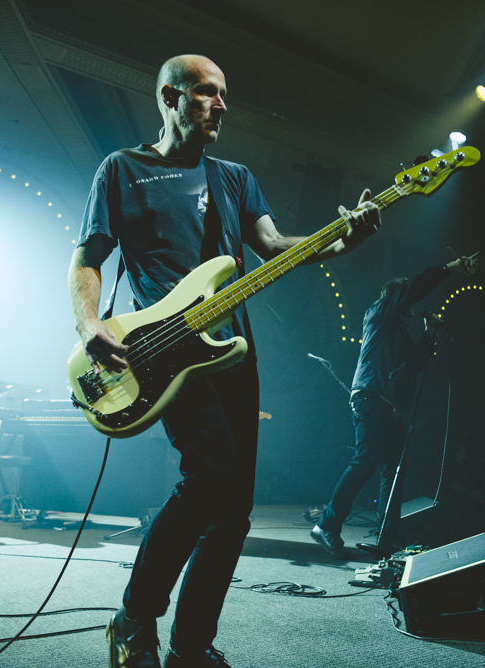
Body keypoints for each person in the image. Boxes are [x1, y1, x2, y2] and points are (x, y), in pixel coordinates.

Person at [68, 54, 382, 668]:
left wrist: (343, 239)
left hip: (232, 351)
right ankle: (135, 617)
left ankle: (192, 645)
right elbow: (87, 258)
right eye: (207, 93)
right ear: (170, 96)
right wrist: (88, 324)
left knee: (234, 509)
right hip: (162, 352)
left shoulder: (234, 176)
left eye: (224, 95)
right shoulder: (122, 170)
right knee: (209, 478)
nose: (221, 105)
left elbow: (271, 247)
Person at [310, 256, 478, 560]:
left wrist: (429, 333)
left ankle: (386, 538)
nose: (411, 308)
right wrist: (450, 268)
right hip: (371, 399)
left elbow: (414, 364)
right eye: (407, 299)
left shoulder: (395, 330)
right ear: (397, 296)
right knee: (364, 462)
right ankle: (327, 525)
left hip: (388, 408)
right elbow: (416, 287)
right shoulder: (380, 311)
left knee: (393, 472)